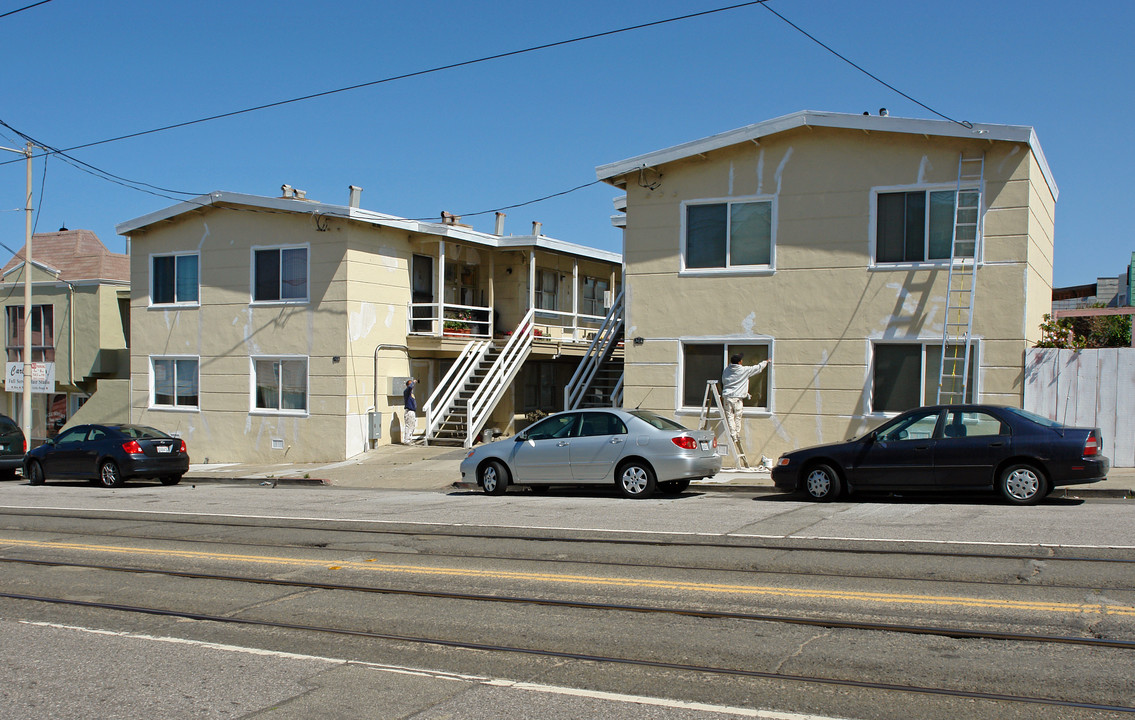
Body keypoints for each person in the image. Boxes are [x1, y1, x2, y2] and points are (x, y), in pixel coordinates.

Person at [720, 353, 769, 444]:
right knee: (737, 416)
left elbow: (724, 381)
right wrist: (766, 362)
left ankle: (733, 435)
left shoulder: (726, 370)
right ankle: (736, 435)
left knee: (730, 416)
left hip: (727, 397)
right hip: (737, 398)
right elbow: (757, 368)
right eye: (741, 359)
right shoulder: (743, 370)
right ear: (739, 362)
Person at [402, 378, 418, 444]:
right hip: (409, 411)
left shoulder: (411, 394)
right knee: (408, 426)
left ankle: (409, 439)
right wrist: (413, 382)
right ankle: (406, 440)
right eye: (410, 384)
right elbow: (410, 387)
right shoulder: (406, 392)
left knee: (412, 426)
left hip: (412, 411)